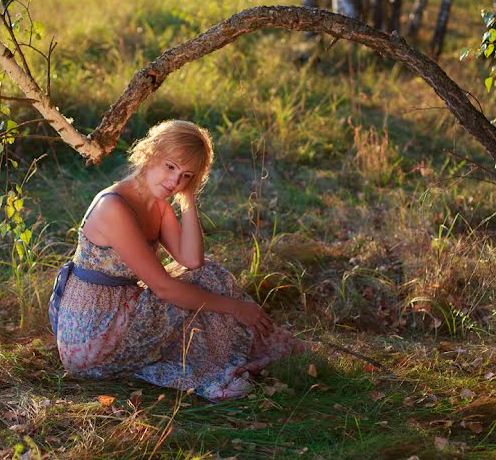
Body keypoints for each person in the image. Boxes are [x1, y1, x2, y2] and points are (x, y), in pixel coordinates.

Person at [49, 120, 309, 401]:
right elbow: (164, 288)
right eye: (170, 167)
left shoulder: (158, 204)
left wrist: (188, 199)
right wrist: (235, 308)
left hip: (122, 314)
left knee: (207, 275)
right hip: (92, 337)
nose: (175, 181)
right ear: (150, 154)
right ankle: (252, 350)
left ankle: (252, 348)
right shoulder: (113, 206)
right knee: (205, 284)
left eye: (186, 175)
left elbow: (192, 260)